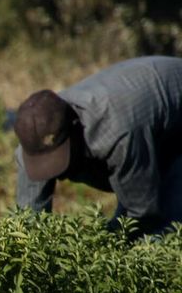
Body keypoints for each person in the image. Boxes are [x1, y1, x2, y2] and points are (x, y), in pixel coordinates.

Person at [14, 56, 182, 236]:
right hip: (145, 112)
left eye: (57, 156)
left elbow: (142, 212)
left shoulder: (117, 133)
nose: (57, 173)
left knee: (162, 230)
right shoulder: (34, 137)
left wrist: (107, 241)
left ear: (73, 128)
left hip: (171, 106)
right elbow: (29, 222)